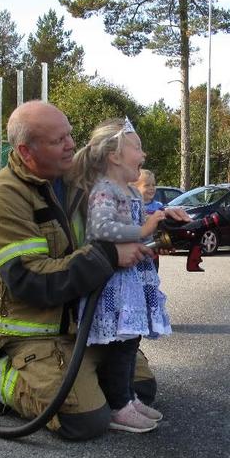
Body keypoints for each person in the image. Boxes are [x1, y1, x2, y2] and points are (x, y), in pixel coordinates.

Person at [0, 101, 159, 440]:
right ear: (27, 151)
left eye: (70, 135)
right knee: (86, 422)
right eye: (59, 140)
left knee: (141, 388)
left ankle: (88, 379)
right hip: (35, 332)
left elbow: (117, 218)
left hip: (81, 323)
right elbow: (29, 280)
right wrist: (109, 256)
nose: (72, 144)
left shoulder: (78, 180)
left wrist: (155, 233)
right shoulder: (3, 195)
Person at [71, 119, 188, 433]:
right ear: (114, 156)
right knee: (119, 345)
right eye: (137, 147)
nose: (144, 154)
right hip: (114, 284)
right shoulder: (104, 189)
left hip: (131, 278)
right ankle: (119, 405)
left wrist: (157, 227)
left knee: (130, 341)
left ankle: (128, 397)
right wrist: (143, 230)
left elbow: (134, 230)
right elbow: (101, 229)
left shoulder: (129, 192)